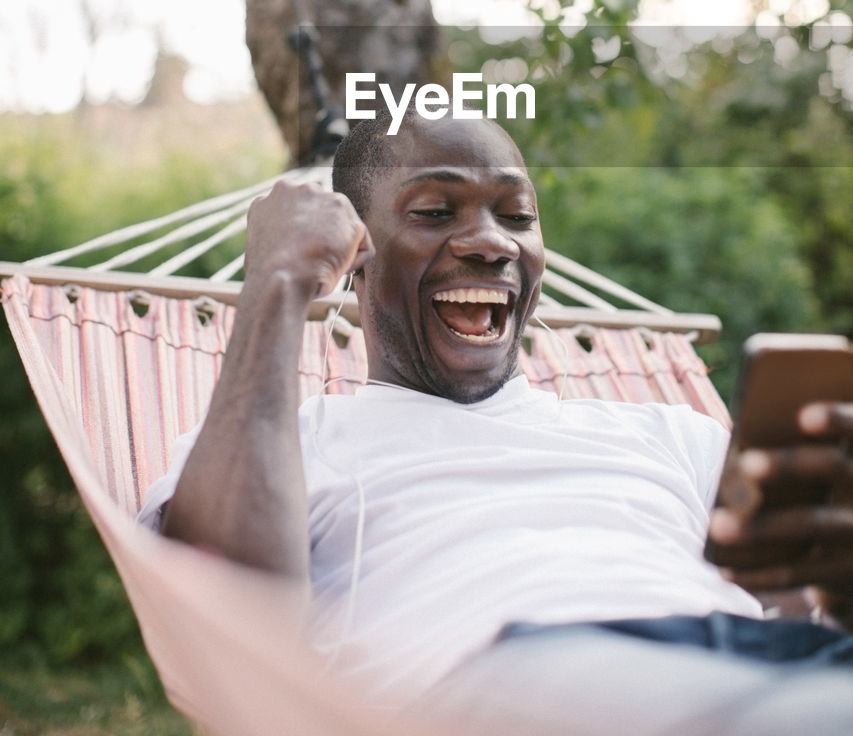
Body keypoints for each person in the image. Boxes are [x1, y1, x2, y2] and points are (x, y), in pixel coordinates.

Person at [139, 112, 853, 734]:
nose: (491, 244)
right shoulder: (278, 446)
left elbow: (790, 609)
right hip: (507, 678)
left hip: (755, 659)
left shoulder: (674, 437)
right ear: (356, 256)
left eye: (515, 216)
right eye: (434, 212)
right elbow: (220, 626)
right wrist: (276, 280)